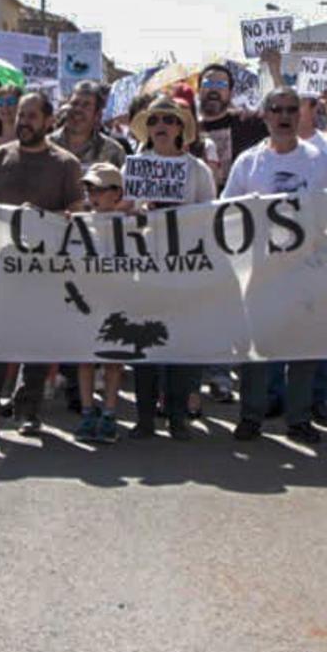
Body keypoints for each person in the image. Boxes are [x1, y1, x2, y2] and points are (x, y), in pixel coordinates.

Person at [0, 91, 84, 440]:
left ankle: (28, 409)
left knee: (38, 341)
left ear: (48, 121)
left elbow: (78, 214)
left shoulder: (66, 165)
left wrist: (45, 219)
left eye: (31, 116)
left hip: (44, 271)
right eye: (19, 116)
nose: (23, 122)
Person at [225, 86, 327, 445]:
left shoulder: (317, 160)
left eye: (292, 109)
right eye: (277, 109)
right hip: (260, 273)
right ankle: (251, 416)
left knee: (304, 350)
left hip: (305, 272)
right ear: (265, 115)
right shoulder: (248, 162)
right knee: (257, 351)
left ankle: (299, 418)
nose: (285, 116)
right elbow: (227, 211)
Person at [126, 97, 216, 439]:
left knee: (180, 344)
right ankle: (145, 417)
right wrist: (135, 208)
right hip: (145, 269)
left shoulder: (198, 170)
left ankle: (178, 416)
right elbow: (120, 210)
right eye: (154, 120)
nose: (160, 125)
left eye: (169, 119)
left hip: (184, 270)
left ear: (181, 128)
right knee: (145, 345)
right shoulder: (134, 166)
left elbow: (210, 215)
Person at [72, 163, 131, 443]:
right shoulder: (78, 222)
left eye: (100, 190)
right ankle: (87, 411)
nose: (93, 195)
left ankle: (109, 412)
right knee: (85, 359)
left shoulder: (128, 225)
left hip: (116, 301)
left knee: (112, 361)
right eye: (89, 190)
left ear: (116, 193)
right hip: (87, 301)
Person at [195, 61, 268, 183]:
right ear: (198, 90)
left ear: (230, 93)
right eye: (208, 83)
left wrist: (274, 70)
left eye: (221, 85)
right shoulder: (186, 129)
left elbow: (285, 114)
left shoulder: (248, 122)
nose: (214, 89)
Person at [52, 81, 127, 171]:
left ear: (97, 115)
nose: (78, 109)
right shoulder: (46, 146)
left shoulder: (114, 152)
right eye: (74, 103)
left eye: (86, 105)